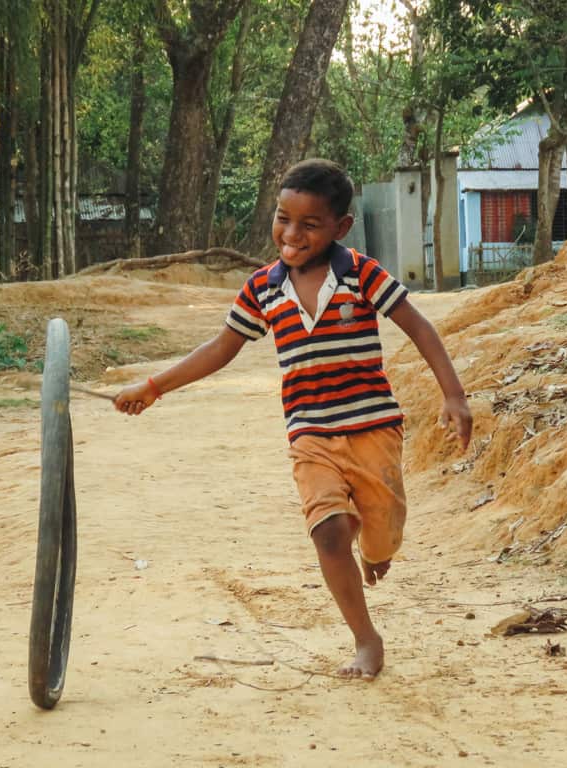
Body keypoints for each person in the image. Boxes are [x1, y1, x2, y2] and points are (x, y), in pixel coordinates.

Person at [115, 158, 472, 680]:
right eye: (284, 218)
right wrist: (152, 387)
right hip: (311, 434)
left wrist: (454, 395)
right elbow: (221, 348)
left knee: (381, 536)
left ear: (341, 227)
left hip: (373, 428)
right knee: (329, 534)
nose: (292, 233)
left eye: (310, 224)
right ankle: (366, 639)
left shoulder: (362, 275)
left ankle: (375, 548)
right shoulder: (263, 288)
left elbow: (417, 326)